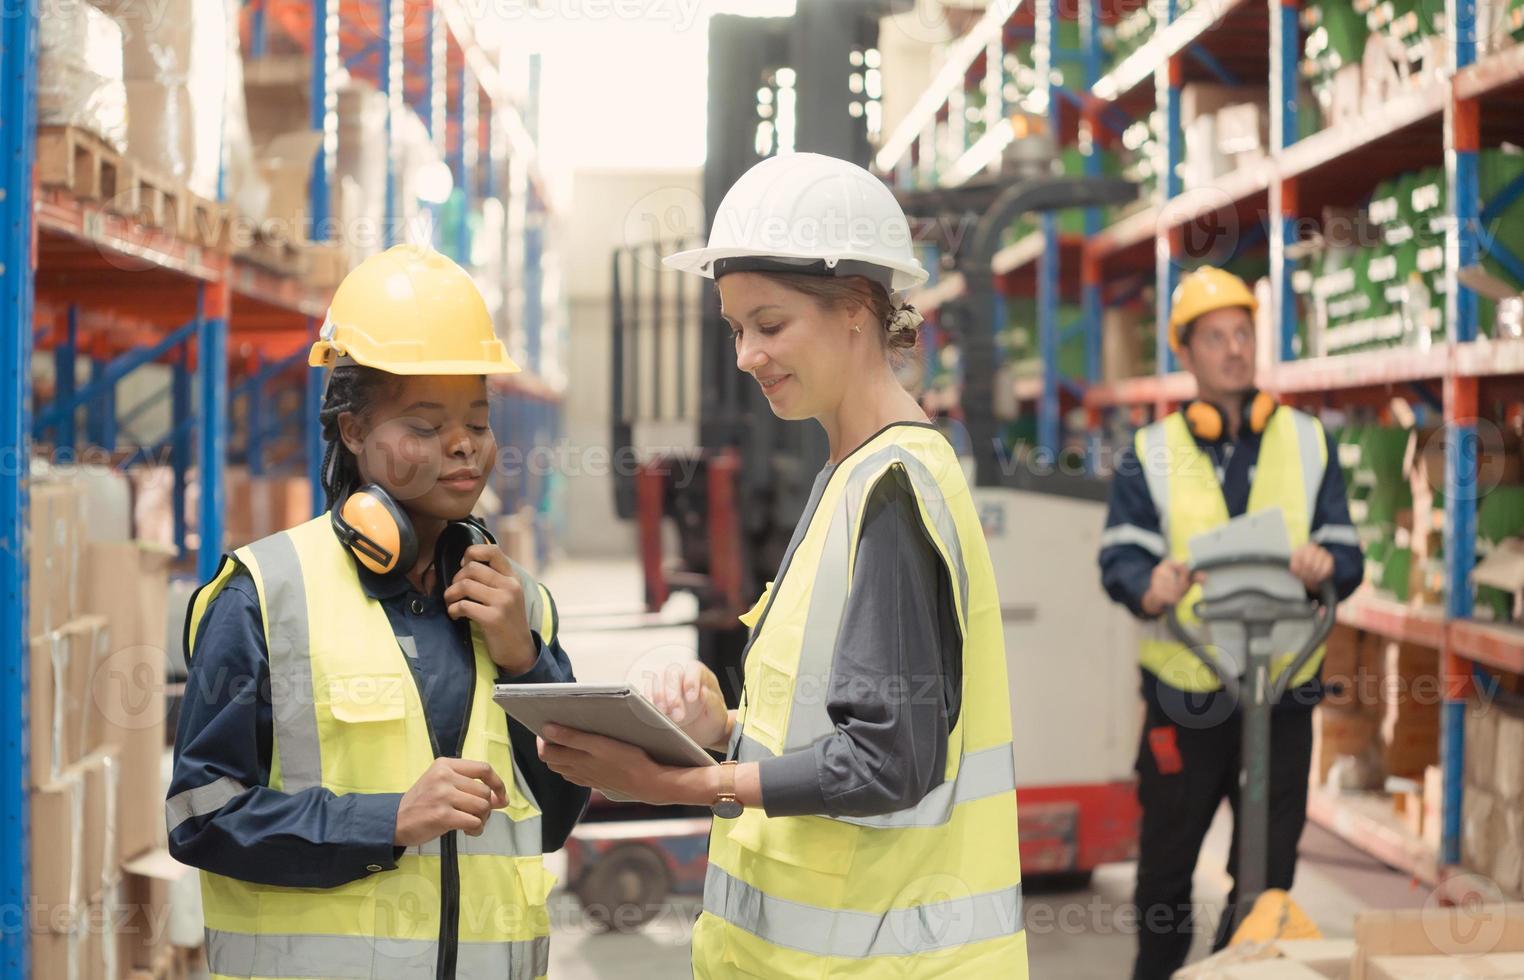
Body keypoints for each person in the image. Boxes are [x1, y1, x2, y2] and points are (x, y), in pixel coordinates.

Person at [530, 152, 1028, 977]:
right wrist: (720, 731)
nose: (745, 356)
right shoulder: (849, 475)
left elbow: (890, 760)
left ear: (858, 309)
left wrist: (677, 785)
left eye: (770, 324)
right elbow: (838, 721)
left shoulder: (893, 493)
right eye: (735, 330)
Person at [166, 245, 589, 980]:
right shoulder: (264, 596)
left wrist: (528, 659)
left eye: (478, 422)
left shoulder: (518, 604)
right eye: (425, 427)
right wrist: (384, 819)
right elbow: (201, 816)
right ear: (354, 432)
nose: (462, 445)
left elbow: (553, 815)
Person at [1098, 266, 1364, 980]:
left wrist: (1324, 562)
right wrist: (1146, 584)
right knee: (1166, 869)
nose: (1235, 350)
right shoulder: (1151, 452)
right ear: (1185, 353)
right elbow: (1118, 555)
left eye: (1244, 334)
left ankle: (1230, 971)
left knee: (1269, 871)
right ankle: (1160, 971)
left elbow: (1348, 551)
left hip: (1282, 689)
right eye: (1216, 337)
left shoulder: (1307, 440)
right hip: (1186, 692)